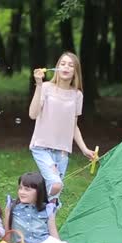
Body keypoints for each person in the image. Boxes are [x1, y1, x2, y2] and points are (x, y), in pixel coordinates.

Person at [28, 52, 96, 203]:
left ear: (75, 72)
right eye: (63, 64)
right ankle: (31, 204)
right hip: (42, 147)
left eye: (71, 65)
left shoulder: (77, 95)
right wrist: (39, 84)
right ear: (57, 68)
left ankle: (39, 217)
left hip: (63, 153)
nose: (66, 67)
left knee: (53, 199)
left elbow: (73, 125)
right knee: (56, 184)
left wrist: (84, 149)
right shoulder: (46, 87)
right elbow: (33, 114)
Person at [4, 172, 97, 243]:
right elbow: (8, 232)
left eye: (27, 189)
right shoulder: (12, 207)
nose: (21, 192)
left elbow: (54, 235)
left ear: (38, 192)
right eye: (20, 188)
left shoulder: (47, 209)